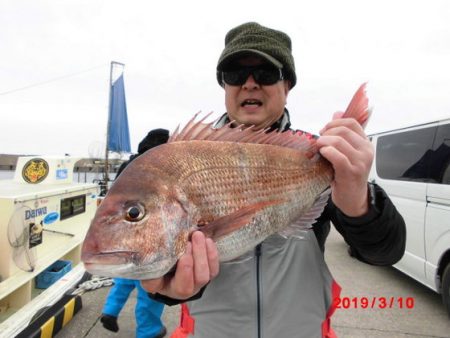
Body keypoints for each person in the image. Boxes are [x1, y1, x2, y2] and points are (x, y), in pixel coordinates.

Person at [141, 22, 406, 338]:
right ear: (224, 86)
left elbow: (385, 252)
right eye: (235, 74)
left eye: (266, 73)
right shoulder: (179, 158)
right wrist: (169, 288)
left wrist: (358, 203)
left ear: (288, 85)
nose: (250, 84)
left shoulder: (319, 157)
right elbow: (158, 270)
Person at [101, 129, 169, 338]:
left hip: (125, 235)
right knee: (150, 287)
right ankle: (149, 331)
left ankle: (110, 311)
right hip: (148, 236)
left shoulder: (128, 165)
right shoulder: (158, 167)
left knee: (125, 277)